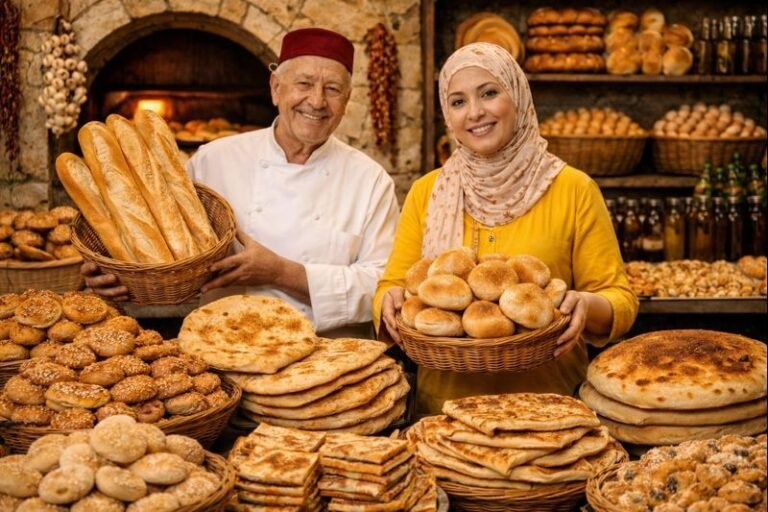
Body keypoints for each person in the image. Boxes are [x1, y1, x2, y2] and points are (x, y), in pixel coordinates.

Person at [374, 42, 638, 416]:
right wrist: (387, 302)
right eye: (458, 101)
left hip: (551, 410)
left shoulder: (573, 188)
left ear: (517, 96)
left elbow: (620, 299)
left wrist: (587, 305)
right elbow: (394, 285)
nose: (475, 112)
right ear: (447, 115)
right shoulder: (427, 192)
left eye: (489, 93)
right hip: (445, 412)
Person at [83, 28, 400, 338]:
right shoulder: (213, 160)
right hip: (221, 345)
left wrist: (280, 272)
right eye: (304, 84)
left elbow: (381, 288)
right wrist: (118, 272)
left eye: (332, 89)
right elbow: (164, 246)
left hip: (329, 358)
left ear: (347, 100)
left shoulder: (371, 181)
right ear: (276, 88)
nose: (317, 101)